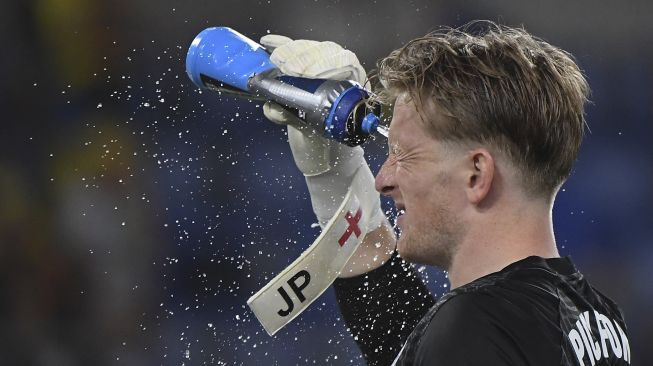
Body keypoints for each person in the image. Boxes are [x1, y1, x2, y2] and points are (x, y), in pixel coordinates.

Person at [261, 21, 631, 366]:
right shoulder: (598, 319)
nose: (382, 180)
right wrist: (335, 179)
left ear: (476, 175)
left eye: (404, 154)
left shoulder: (475, 322)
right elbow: (407, 343)